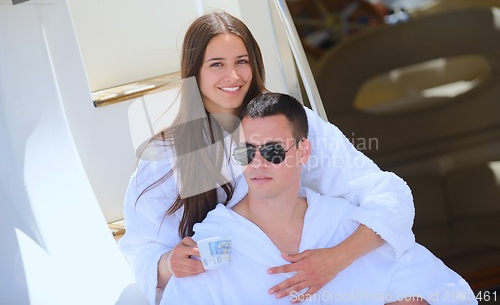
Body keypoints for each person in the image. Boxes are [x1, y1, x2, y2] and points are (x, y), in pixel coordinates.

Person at [119, 11, 416, 305]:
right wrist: (169, 264)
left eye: (242, 62)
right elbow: (141, 249)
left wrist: (337, 258)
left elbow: (389, 196)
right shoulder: (164, 157)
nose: (233, 76)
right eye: (217, 64)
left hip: (308, 285)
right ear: (194, 72)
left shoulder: (295, 125)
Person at [162, 93, 476, 305]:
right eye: (247, 152)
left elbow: (442, 287)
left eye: (272, 151)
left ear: (304, 151)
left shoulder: (343, 224)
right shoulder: (213, 246)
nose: (258, 163)